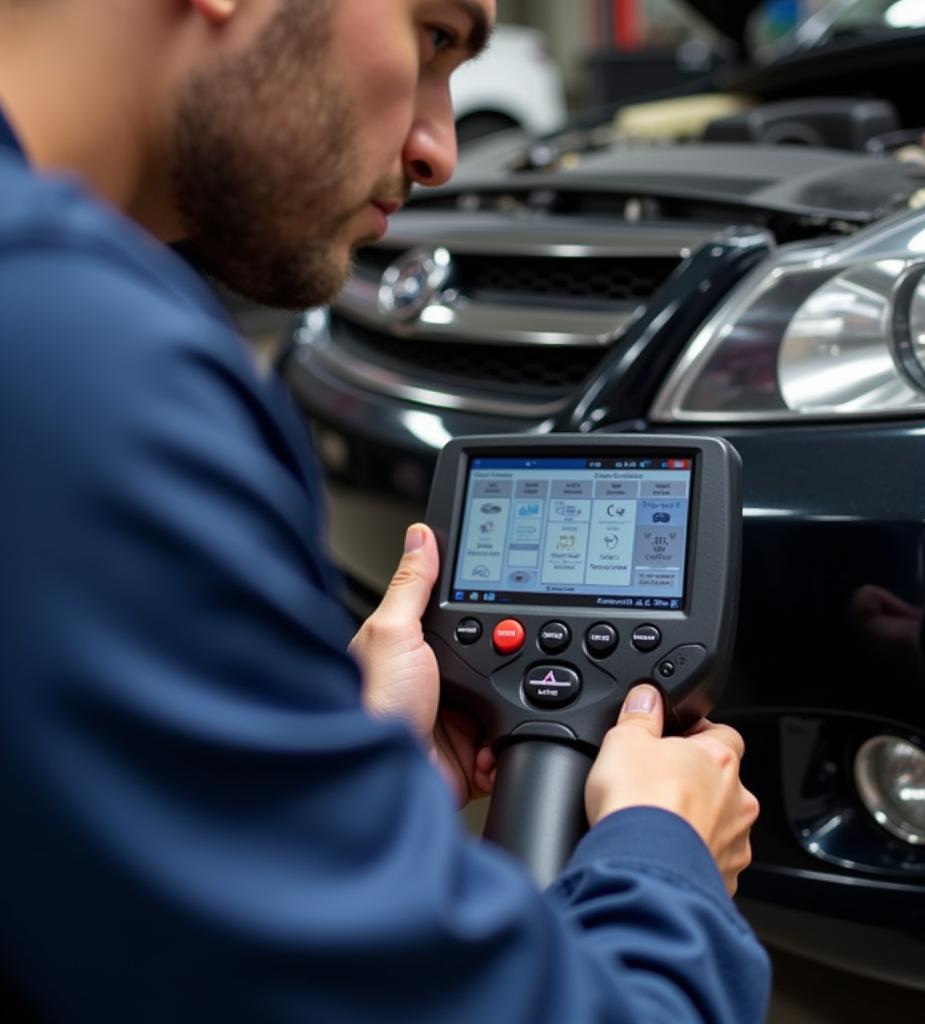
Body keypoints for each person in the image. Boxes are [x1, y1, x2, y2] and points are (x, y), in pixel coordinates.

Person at [0, 1, 770, 1021]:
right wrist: (665, 860)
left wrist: (312, 774)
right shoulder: (82, 364)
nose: (440, 147)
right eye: (436, 36)